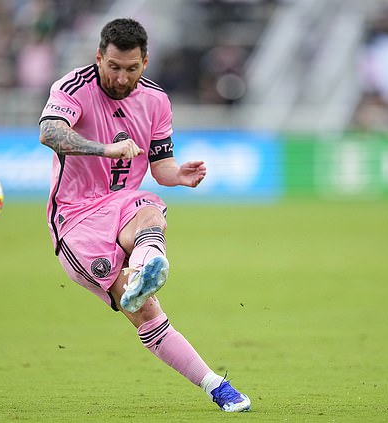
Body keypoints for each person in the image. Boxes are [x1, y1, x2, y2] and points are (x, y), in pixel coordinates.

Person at [38, 18, 251, 413]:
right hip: (76, 218)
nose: (121, 78)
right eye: (114, 67)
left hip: (122, 204)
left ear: (146, 62)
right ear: (98, 57)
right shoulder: (72, 88)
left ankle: (146, 266)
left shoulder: (156, 100)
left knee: (149, 206)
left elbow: (161, 166)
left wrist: (179, 176)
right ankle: (211, 380)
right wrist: (105, 150)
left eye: (132, 69)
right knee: (144, 311)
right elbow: (50, 133)